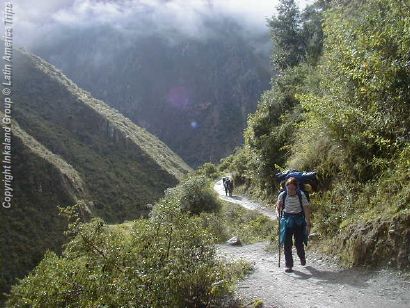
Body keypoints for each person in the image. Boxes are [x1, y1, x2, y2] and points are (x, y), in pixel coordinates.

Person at [276, 177, 312, 273]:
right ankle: (289, 265)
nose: (290, 191)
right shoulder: (282, 195)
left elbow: (306, 208)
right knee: (287, 244)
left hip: (299, 221)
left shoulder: (301, 195)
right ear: (286, 188)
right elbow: (277, 208)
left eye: (292, 189)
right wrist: (278, 213)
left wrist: (308, 223)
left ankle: (302, 257)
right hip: (287, 221)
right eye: (289, 189)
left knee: (298, 243)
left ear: (296, 188)